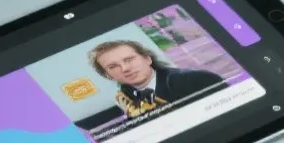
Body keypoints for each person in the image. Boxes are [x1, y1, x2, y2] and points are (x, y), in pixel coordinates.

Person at [88, 40, 223, 118]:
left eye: (129, 59)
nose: (124, 68)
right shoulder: (125, 98)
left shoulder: (196, 79)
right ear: (107, 75)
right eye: (113, 66)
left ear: (147, 58)